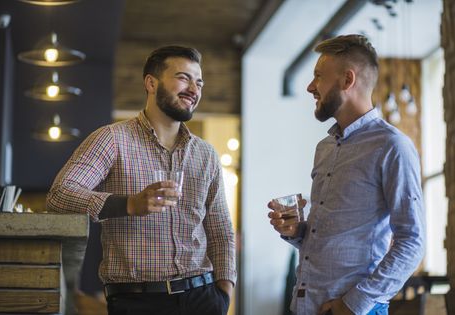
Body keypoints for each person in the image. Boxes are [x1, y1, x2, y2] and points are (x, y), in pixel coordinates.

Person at [47, 45, 236, 315]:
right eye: (183, 77)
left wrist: (224, 293)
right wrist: (129, 205)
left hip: (203, 298)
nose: (194, 89)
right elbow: (59, 195)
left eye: (199, 82)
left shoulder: (206, 154)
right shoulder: (112, 139)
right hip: (137, 302)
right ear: (151, 83)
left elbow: (221, 231)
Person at [268, 34, 425, 315]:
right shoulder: (324, 147)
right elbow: (329, 236)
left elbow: (412, 241)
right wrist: (296, 231)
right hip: (304, 306)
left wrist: (354, 305)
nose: (310, 87)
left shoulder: (392, 146)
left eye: (318, 76)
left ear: (347, 80)